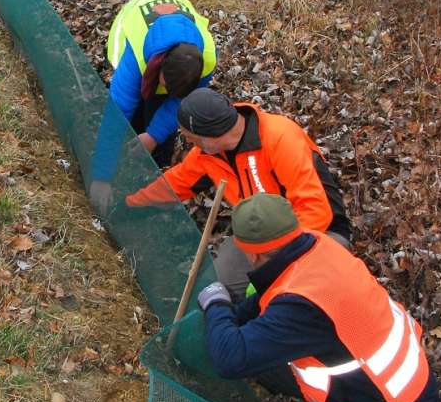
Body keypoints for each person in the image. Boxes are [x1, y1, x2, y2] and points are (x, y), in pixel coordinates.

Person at [184, 194, 437, 402]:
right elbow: (264, 302)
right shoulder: (315, 246)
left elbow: (230, 359)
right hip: (386, 379)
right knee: (259, 358)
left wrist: (217, 304)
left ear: (252, 254)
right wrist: (232, 316)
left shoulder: (302, 306)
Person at [126, 87, 350, 297]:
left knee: (287, 299)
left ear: (208, 135)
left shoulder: (279, 138)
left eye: (189, 137)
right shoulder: (207, 154)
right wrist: (127, 205)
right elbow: (174, 184)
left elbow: (316, 211)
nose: (187, 142)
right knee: (214, 289)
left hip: (318, 235)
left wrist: (272, 263)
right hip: (257, 233)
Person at [89, 0, 217, 217]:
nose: (168, 93)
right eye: (166, 86)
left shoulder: (205, 60)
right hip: (132, 22)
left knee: (159, 131)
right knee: (135, 114)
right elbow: (116, 116)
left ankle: (151, 176)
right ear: (159, 67)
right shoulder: (135, 58)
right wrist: (101, 177)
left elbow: (178, 101)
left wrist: (154, 135)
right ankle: (123, 161)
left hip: (171, 34)